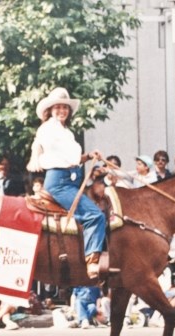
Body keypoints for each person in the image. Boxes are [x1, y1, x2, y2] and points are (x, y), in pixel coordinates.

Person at [26, 87, 105, 279]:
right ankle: (92, 261)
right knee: (95, 216)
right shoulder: (49, 127)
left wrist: (88, 156)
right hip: (59, 183)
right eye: (58, 107)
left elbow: (69, 158)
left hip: (70, 180)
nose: (62, 111)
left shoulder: (65, 131)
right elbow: (38, 141)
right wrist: (34, 154)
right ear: (50, 110)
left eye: (65, 108)